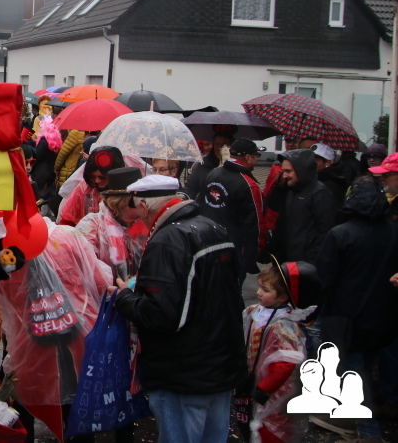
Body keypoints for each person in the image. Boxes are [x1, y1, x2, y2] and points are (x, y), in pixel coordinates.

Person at [111, 174, 247, 443]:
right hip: (219, 368)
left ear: (144, 206)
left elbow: (161, 315)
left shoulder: (167, 240)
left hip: (183, 374)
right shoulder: (213, 227)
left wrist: (124, 297)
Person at [0, 220, 112, 443]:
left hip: (31, 348)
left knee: (21, 412)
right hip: (80, 338)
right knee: (79, 412)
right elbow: (101, 282)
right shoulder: (70, 236)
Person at [316, 176, 398, 442]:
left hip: (347, 317)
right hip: (384, 316)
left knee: (354, 372)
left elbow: (325, 278)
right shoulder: (393, 231)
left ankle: (367, 431)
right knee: (365, 367)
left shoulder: (340, 234)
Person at [242, 259, 319, 443]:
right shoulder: (258, 312)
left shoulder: (285, 326)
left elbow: (287, 362)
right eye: (260, 287)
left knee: (271, 429)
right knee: (255, 424)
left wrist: (265, 388)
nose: (258, 292)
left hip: (275, 390)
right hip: (257, 381)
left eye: (266, 290)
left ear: (283, 297)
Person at [201, 138, 265, 283]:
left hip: (207, 244)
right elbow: (256, 225)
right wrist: (255, 255)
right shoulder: (249, 185)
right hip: (234, 251)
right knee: (231, 290)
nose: (257, 160)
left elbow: (201, 205)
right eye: (256, 156)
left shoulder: (213, 173)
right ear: (248, 157)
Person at [74, 166, 147, 281]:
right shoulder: (92, 226)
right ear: (124, 201)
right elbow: (84, 268)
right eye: (140, 198)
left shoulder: (150, 223)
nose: (145, 202)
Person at [268, 149, 339, 263]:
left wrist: (310, 260)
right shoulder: (292, 190)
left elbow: (326, 231)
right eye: (283, 171)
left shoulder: (320, 193)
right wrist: (279, 189)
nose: (284, 175)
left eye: (288, 171)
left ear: (301, 170)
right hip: (287, 260)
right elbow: (275, 210)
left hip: (304, 263)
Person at [57, 145, 128, 225]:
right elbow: (67, 221)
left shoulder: (129, 192)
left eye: (102, 177)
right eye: (93, 176)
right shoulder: (84, 189)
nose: (97, 181)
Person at [185, 131, 233, 200]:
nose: (220, 148)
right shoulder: (203, 164)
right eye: (217, 144)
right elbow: (190, 188)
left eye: (224, 145)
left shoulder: (238, 168)